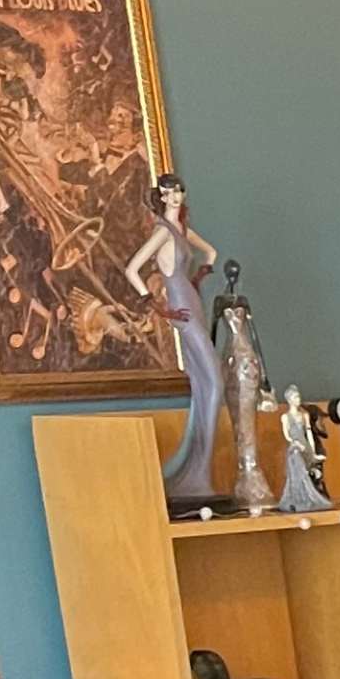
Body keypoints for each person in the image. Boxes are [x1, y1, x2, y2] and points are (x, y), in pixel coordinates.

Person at [126, 174, 225, 512]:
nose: (176, 196)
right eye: (169, 192)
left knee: (207, 383)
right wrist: (156, 306)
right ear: (162, 197)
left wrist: (201, 274)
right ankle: (196, 471)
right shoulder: (161, 233)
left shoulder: (182, 230)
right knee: (214, 382)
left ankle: (200, 471)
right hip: (181, 307)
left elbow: (211, 251)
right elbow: (133, 269)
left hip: (191, 300)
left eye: (179, 190)